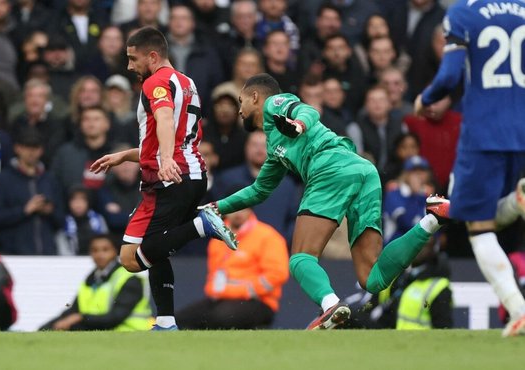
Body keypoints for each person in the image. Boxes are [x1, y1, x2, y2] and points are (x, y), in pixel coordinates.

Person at [207, 73, 450, 330]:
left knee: (300, 258)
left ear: (255, 96)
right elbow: (258, 191)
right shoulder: (275, 147)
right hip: (363, 172)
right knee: (373, 279)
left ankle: (330, 305)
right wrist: (216, 207)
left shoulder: (274, 105)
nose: (240, 110)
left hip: (330, 167)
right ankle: (432, 220)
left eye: (241, 100)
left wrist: (299, 124)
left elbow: (307, 111)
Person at [89, 27, 238, 331]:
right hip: (190, 172)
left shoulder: (155, 82)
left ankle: (202, 224)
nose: (129, 66)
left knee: (131, 258)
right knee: (155, 250)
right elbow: (177, 135)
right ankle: (167, 322)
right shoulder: (187, 82)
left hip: (169, 177)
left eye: (133, 59)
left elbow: (166, 119)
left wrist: (166, 160)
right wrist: (127, 155)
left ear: (153, 56)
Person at [414, 0, 525, 337]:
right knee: (487, 212)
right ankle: (517, 201)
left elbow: (449, 76)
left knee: (477, 227)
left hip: (483, 135)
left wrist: (425, 99)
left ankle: (518, 310)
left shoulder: (463, 12)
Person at [176, 204, 289, 330]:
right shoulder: (217, 237)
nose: (238, 213)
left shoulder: (267, 236)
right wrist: (215, 291)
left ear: (250, 210)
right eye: (233, 208)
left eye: (243, 208)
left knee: (221, 318)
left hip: (258, 301)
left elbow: (277, 274)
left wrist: (246, 290)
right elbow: (214, 274)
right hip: (220, 298)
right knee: (181, 319)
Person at [40, 234, 152, 331]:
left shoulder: (130, 279)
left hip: (131, 334)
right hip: (102, 333)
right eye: (95, 250)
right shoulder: (91, 279)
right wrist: (46, 328)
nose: (99, 255)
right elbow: (73, 311)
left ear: (115, 251)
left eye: (105, 249)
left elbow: (116, 317)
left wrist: (81, 318)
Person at [0, 128, 62, 255]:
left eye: (35, 147)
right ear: (17, 148)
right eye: (27, 147)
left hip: (47, 254)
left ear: (41, 150)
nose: (31, 152)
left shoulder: (50, 179)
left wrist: (49, 211)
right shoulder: (4, 179)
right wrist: (25, 210)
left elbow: (62, 219)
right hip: (13, 255)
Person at [56, 185, 109, 256]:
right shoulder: (63, 222)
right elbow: (62, 249)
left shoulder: (99, 219)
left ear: (88, 202)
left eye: (82, 199)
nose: (78, 204)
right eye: (74, 200)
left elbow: (106, 243)